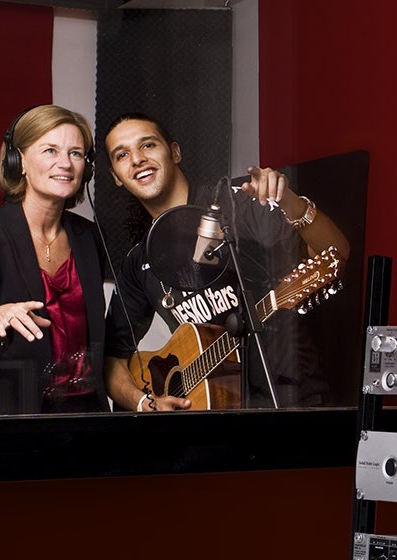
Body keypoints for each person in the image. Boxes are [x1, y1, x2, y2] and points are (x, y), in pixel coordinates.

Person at [102, 113, 351, 411]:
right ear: (116, 176)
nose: (137, 159)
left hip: (290, 403)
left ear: (175, 152)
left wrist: (290, 202)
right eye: (122, 155)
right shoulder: (139, 260)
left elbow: (335, 253)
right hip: (213, 417)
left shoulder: (239, 203)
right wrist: (145, 403)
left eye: (148, 145)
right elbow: (113, 358)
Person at [0, 105, 138, 416]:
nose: (65, 163)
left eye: (76, 153)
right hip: (3, 421)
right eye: (50, 150)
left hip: (81, 414)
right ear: (18, 160)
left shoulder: (89, 236)